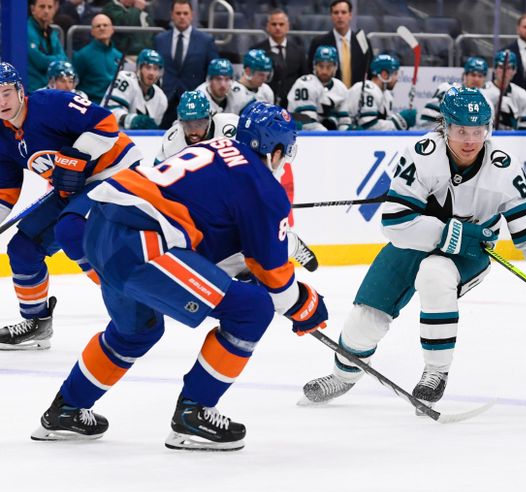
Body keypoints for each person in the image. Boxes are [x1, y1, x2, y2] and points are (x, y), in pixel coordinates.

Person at [29, 102, 328, 451]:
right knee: (252, 310)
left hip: (99, 227)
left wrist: (241, 273)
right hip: (141, 241)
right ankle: (195, 414)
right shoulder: (262, 185)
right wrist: (304, 305)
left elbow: (203, 232)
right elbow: (275, 279)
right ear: (277, 151)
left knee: (136, 332)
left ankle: (67, 409)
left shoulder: (211, 149)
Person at [301, 87, 526, 407]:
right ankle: (343, 375)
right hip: (415, 243)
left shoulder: (505, 169)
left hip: (469, 255)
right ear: (445, 126)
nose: (471, 140)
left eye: (478, 131)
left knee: (435, 274)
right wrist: (450, 232)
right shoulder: (420, 154)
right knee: (368, 311)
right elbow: (395, 224)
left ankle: (435, 371)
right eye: (461, 131)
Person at [0, 62, 142, 350]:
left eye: (6, 93)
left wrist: (78, 155)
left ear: (20, 91)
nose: (1, 102)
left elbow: (106, 123)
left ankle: (135, 307)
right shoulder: (2, 137)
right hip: (73, 190)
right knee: (23, 248)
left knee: (71, 229)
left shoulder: (52, 102)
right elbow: (5, 192)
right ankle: (37, 324)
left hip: (116, 172)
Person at [156, 92, 320, 271]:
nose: (194, 131)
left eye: (199, 123)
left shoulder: (230, 126)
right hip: (205, 200)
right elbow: (161, 181)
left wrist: (260, 200)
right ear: (180, 122)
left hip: (234, 188)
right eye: (188, 124)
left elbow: (258, 166)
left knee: (262, 231)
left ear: (210, 117)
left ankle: (288, 241)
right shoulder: (172, 141)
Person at [154, 0, 219, 128]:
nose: (182, 17)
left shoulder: (206, 40)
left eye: (185, 13)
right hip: (165, 101)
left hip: (194, 104)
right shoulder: (159, 39)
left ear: (192, 15)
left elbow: (213, 72)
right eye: (178, 13)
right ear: (172, 15)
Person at [306, 0, 373, 89]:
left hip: (356, 97)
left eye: (343, 12)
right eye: (336, 12)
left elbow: (369, 70)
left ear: (350, 15)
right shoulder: (319, 42)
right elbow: (311, 72)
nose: (340, 16)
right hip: (328, 96)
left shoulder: (362, 41)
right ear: (331, 16)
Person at [254, 8, 308, 108]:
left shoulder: (299, 51)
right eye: (274, 24)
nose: (278, 27)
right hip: (264, 104)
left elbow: (304, 78)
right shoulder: (256, 51)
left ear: (287, 27)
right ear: (267, 27)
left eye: (281, 24)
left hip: (292, 106)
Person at [347, 53, 416, 131]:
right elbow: (368, 126)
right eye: (395, 73)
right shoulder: (368, 90)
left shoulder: (386, 95)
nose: (397, 78)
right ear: (384, 75)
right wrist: (399, 122)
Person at [288, 46, 350, 131]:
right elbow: (307, 122)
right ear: (315, 66)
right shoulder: (304, 83)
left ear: (335, 67)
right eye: (321, 66)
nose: (324, 71)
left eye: (329, 66)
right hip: (299, 133)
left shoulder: (341, 87)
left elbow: (344, 122)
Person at [419, 56, 489, 129]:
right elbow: (427, 120)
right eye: (473, 75)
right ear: (464, 75)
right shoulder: (448, 89)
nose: (476, 79)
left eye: (480, 76)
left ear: (484, 79)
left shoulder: (486, 101)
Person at [107, 48, 168, 130]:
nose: (151, 73)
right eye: (147, 67)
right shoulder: (125, 79)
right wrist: (131, 120)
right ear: (139, 68)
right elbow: (109, 111)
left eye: (155, 68)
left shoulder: (161, 99)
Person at [73, 14, 124, 105]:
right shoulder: (82, 55)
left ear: (112, 29)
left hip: (114, 106)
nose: (102, 28)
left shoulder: (119, 56)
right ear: (92, 31)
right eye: (98, 26)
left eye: (105, 25)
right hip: (91, 106)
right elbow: (73, 84)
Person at [481, 50, 526, 130]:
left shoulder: (521, 94)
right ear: (494, 69)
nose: (504, 72)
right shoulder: (483, 93)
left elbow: (524, 128)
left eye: (509, 68)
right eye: (501, 67)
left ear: (515, 71)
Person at [28, 0, 68, 92]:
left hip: (51, 90)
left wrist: (54, 59)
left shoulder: (52, 33)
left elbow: (64, 60)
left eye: (50, 7)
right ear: (32, 9)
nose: (46, 11)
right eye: (42, 7)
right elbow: (40, 62)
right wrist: (58, 58)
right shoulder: (27, 31)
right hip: (32, 90)